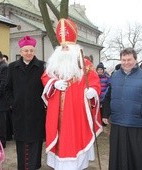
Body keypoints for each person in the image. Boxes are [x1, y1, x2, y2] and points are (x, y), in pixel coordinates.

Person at [41, 18, 103, 170]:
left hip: (77, 115)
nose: (64, 50)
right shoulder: (54, 64)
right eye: (62, 47)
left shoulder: (85, 64)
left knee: (76, 143)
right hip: (57, 114)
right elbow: (45, 77)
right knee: (60, 142)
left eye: (67, 47)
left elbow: (95, 82)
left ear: (75, 47)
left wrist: (92, 91)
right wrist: (53, 83)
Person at [102, 47, 142, 170]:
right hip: (117, 123)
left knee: (138, 158)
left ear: (135, 60)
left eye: (129, 59)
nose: (126, 62)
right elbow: (109, 97)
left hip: (136, 123)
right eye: (123, 60)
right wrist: (105, 114)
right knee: (118, 157)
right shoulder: (115, 76)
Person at [5, 35, 46, 170]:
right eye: (26, 50)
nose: (29, 53)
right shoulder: (12, 67)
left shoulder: (41, 66)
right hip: (19, 112)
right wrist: (13, 103)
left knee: (36, 141)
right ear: (21, 52)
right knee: (21, 142)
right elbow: (7, 88)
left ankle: (34, 167)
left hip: (37, 112)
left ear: (34, 51)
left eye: (31, 50)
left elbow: (47, 87)